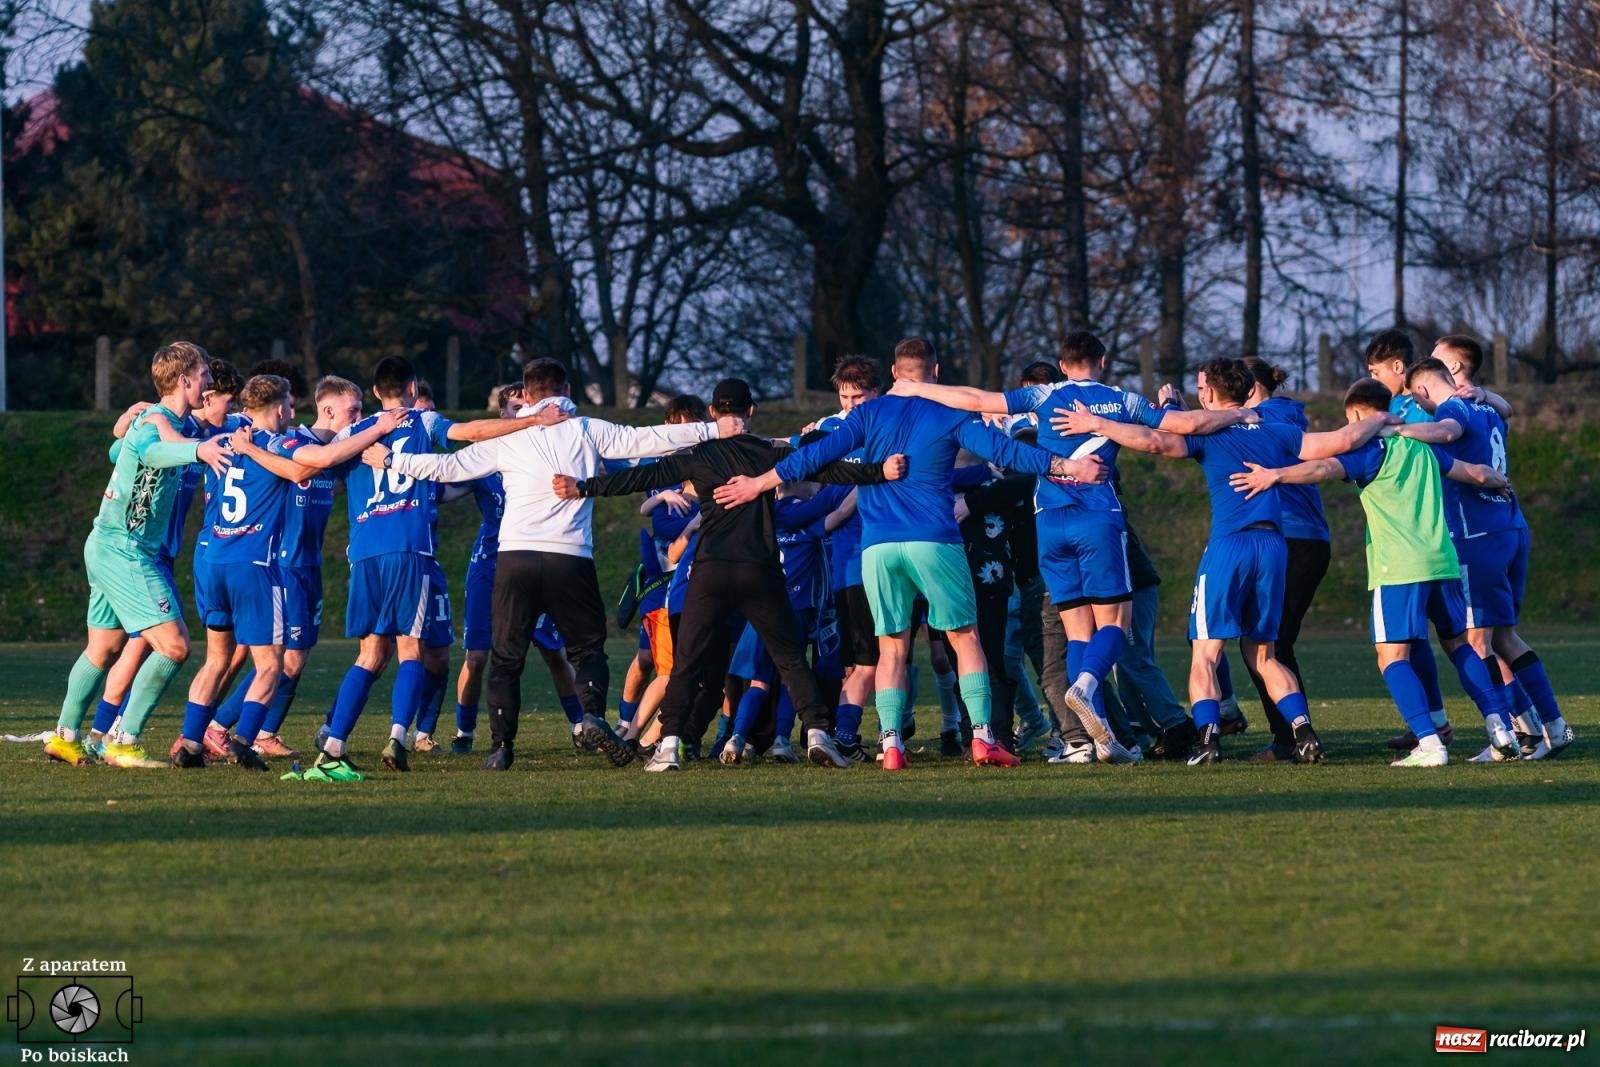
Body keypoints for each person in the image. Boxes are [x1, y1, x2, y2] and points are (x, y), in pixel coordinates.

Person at [716, 337, 1109, 770]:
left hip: (878, 547)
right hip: (933, 540)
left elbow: (814, 455)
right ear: (935, 373)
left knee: (891, 649)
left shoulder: (867, 413)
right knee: (965, 638)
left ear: (893, 372)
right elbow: (1006, 451)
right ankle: (983, 739)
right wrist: (1069, 466)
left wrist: (757, 484)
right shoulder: (947, 411)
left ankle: (890, 747)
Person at [890, 331, 1250, 763]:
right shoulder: (1121, 400)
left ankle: (1098, 737)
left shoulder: (1044, 395)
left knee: (1078, 630)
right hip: (1097, 519)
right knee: (1116, 623)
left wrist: (916, 386)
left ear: (1062, 365)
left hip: (1050, 524)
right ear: (1102, 360)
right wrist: (1240, 414)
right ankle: (1087, 686)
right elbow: (1182, 429)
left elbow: (976, 398)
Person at [361, 357, 723, 771]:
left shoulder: (512, 438)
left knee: (506, 657)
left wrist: (391, 460)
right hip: (571, 557)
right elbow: (650, 438)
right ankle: (590, 715)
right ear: (567, 391)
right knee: (587, 650)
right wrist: (717, 427)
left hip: (515, 558)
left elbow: (448, 466)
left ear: (528, 396)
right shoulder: (589, 429)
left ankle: (501, 747)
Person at [1056, 357, 1395, 765]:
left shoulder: (1208, 437)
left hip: (1230, 546)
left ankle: (1209, 741)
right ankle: (1303, 734)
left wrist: (1099, 424)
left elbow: (1155, 441)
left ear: (1211, 394)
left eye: (1202, 390)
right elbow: (1341, 440)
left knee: (1206, 650)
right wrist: (1380, 420)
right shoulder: (1278, 430)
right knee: (1264, 652)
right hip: (1273, 547)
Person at [555, 378, 899, 771]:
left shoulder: (698, 456)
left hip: (711, 570)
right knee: (789, 657)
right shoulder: (769, 451)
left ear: (714, 412)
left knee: (686, 662)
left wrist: (582, 487)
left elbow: (639, 479)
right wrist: (879, 472)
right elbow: (829, 468)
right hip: (761, 570)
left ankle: (668, 746)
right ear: (751, 411)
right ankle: (819, 733)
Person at [291, 356, 562, 779]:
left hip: (363, 552)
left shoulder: (355, 432)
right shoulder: (424, 422)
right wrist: (531, 422)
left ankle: (333, 744)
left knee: (368, 654)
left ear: (376, 392)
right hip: (409, 548)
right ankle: (399, 737)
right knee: (409, 649)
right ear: (414, 388)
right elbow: (471, 433)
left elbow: (313, 465)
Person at [1229, 378, 1510, 766]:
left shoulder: (1374, 450)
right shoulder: (1422, 446)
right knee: (1459, 646)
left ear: (1359, 415)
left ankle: (1429, 743)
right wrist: (1501, 481)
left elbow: (1325, 467)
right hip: (1442, 562)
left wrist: (1275, 475)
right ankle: (1501, 730)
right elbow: (1477, 474)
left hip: (1399, 568)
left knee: (1391, 657)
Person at [172, 375, 403, 769]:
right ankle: (242, 736)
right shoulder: (283, 442)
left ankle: (194, 741)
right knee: (275, 662)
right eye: (354, 410)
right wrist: (382, 426)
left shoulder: (228, 439)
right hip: (264, 565)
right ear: (281, 409)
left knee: (221, 659)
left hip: (219, 561)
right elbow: (305, 469)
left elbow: (204, 421)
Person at [44, 342, 231, 769]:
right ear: (184, 380)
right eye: (203, 373)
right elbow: (149, 451)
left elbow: (120, 451)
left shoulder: (164, 421)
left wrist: (139, 430)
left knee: (104, 647)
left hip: (107, 544)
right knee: (175, 646)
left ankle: (65, 737)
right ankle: (121, 741)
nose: (208, 382)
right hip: (126, 550)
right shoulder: (157, 421)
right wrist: (198, 450)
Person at [1394, 356, 1564, 760]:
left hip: (1476, 535)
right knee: (1504, 636)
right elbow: (1504, 411)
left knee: (1476, 640)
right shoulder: (1486, 406)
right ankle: (1552, 726)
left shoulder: (1452, 408)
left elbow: (1447, 431)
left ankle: (1507, 737)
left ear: (1421, 391)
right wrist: (1489, 394)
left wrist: (1395, 428)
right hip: (1509, 526)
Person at [209, 375, 365, 758]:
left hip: (309, 565)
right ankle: (220, 727)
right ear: (327, 410)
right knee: (285, 660)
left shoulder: (343, 450)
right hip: (284, 564)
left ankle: (261, 733)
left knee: (299, 658)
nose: (359, 417)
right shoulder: (292, 444)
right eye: (353, 411)